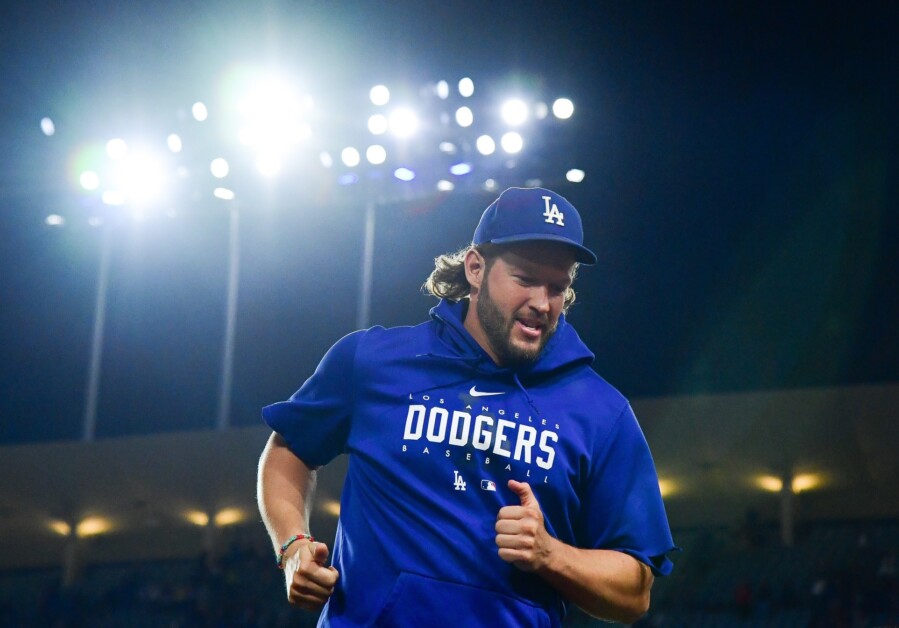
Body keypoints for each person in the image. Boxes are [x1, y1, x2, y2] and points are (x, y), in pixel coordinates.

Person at [257, 187, 676, 627]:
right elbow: (290, 450)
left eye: (558, 286)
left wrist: (551, 554)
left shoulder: (601, 412)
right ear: (476, 268)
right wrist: (292, 546)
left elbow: (635, 591)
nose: (542, 302)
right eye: (526, 278)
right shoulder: (373, 360)